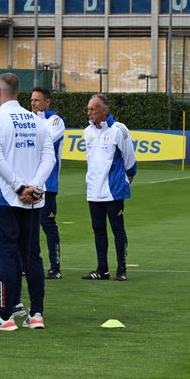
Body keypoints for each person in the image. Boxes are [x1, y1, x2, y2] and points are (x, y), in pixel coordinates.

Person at [0, 73, 55, 332]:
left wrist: (20, 186)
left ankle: (6, 315)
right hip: (33, 200)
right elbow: (50, 159)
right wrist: (35, 186)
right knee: (32, 255)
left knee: (7, 255)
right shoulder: (37, 120)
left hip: (5, 197)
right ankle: (36, 314)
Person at [82, 93, 137, 282]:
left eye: (93, 109)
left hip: (113, 191)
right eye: (89, 108)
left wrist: (125, 180)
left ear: (104, 111)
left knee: (117, 229)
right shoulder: (87, 132)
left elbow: (130, 160)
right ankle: (102, 269)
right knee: (98, 229)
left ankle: (121, 268)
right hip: (93, 191)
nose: (89, 112)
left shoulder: (119, 130)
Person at [30, 86, 65, 280]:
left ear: (47, 102)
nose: (33, 103)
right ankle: (28, 264)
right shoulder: (30, 119)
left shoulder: (55, 121)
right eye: (32, 100)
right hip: (30, 181)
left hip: (48, 183)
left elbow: (45, 142)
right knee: (29, 225)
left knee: (48, 223)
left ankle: (55, 266)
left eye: (36, 100)